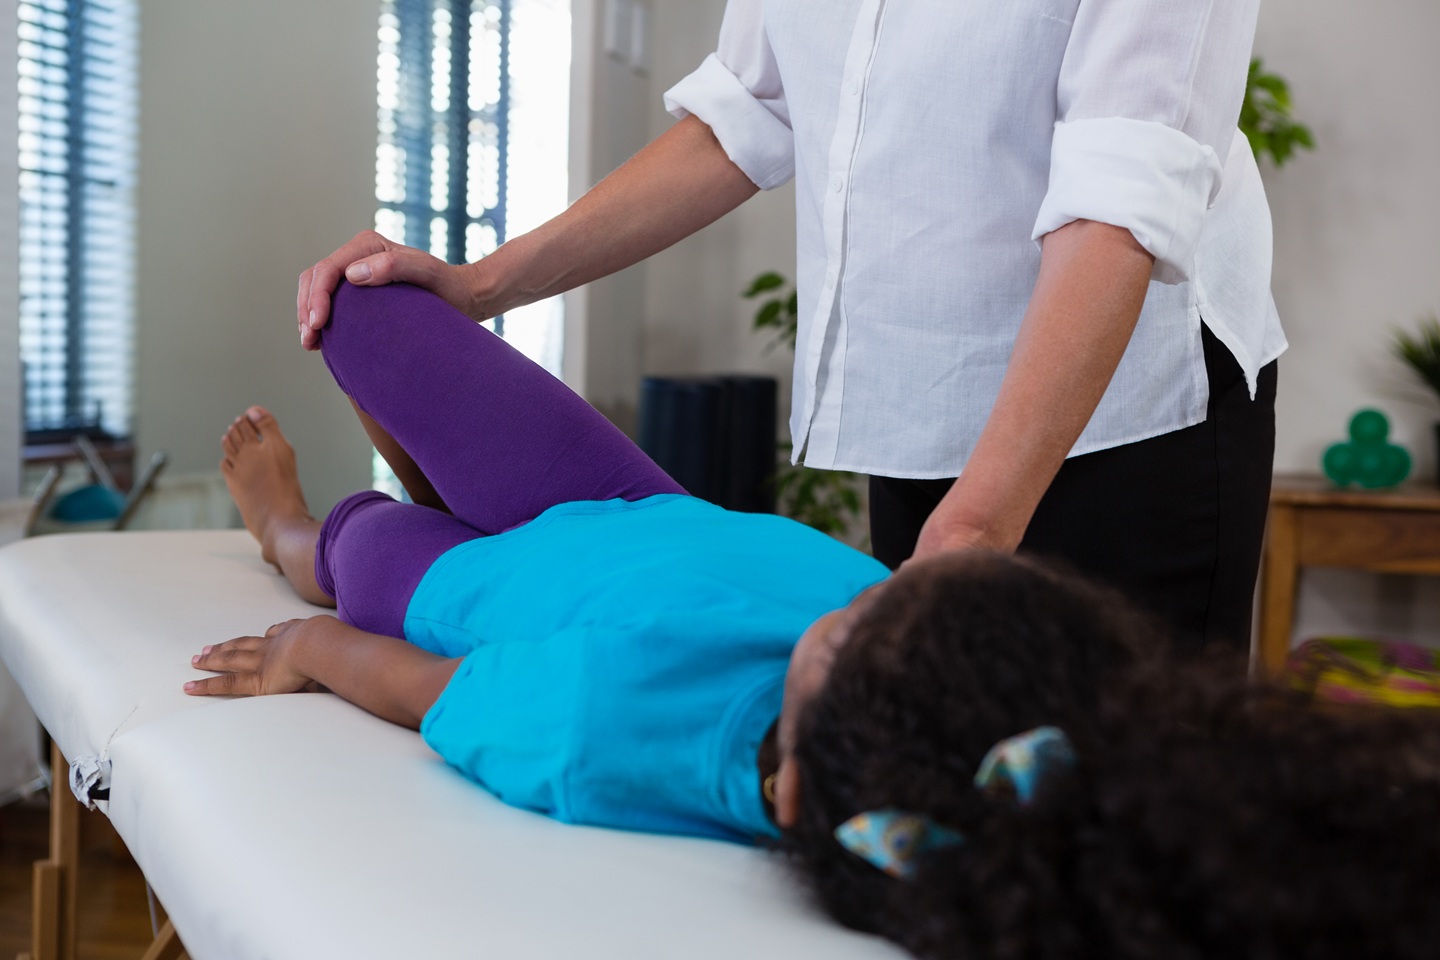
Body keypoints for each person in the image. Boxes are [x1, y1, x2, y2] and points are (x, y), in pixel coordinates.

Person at [195, 284, 1437, 959]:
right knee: (360, 304)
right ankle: (433, 480)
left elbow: (416, 687)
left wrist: (307, 644)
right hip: (625, 502)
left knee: (337, 553)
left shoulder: (603, 731)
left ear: (794, 793)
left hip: (465, 596)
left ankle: (298, 533)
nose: (892, 580)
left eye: (864, 617)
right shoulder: (931, 668)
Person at [294, 0, 1284, 654]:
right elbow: (747, 113)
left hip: (1128, 411)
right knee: (951, 802)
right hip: (922, 399)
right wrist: (479, 286)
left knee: (1130, 822)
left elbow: (1117, 201)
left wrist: (977, 524)